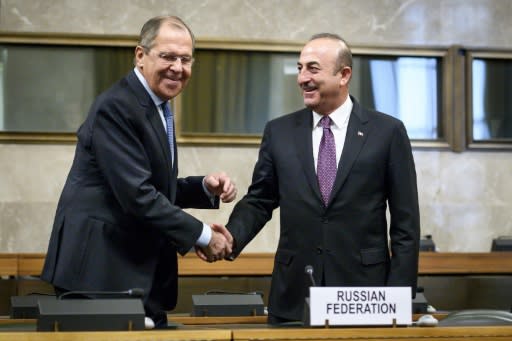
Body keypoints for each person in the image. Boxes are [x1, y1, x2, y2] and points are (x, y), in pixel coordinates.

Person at [209, 33, 420, 324]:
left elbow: (406, 224)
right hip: (295, 293)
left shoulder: (387, 132)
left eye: (313, 68)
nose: (302, 78)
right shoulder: (279, 132)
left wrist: (399, 299)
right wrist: (231, 237)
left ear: (343, 75)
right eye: (299, 68)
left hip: (364, 297)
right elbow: (260, 200)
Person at [41, 15, 235, 328]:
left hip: (131, 275)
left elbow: (151, 185)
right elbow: (136, 195)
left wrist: (203, 187)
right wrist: (203, 236)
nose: (178, 67)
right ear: (140, 56)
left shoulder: (156, 105)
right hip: (100, 276)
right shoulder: (117, 106)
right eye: (168, 56)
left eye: (185, 59)